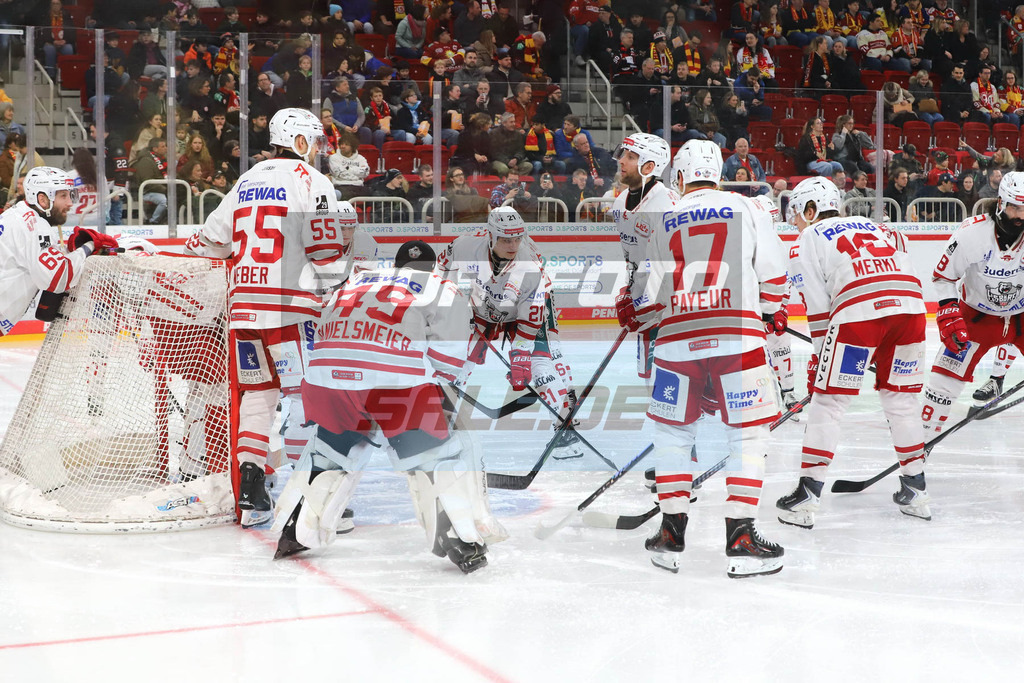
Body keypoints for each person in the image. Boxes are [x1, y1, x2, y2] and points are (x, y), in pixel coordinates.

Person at [270, 240, 506, 570]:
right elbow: (448, 364)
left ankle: (296, 528)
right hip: (390, 379)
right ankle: (458, 537)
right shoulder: (441, 286)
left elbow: (324, 332)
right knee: (441, 451)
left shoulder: (357, 279)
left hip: (325, 375)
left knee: (334, 447)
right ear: (432, 268)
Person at [617, 139, 787, 577]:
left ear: (679, 176)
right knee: (747, 437)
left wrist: (633, 310)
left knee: (674, 436)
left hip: (676, 344)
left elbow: (650, 299)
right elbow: (774, 274)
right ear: (718, 172)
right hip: (738, 340)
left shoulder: (663, 218)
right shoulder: (749, 207)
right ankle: (741, 536)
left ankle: (670, 535)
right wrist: (770, 312)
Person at [183, 109, 344, 528]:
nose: (320, 148)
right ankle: (315, 500)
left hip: (244, 310)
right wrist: (338, 294)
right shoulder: (313, 181)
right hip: (290, 308)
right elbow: (326, 251)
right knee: (311, 398)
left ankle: (253, 489)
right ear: (300, 140)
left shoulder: (245, 181)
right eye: (315, 140)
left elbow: (208, 242)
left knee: (259, 396)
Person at [777, 153, 930, 529]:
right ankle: (916, 490)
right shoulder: (875, 224)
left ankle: (807, 496)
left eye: (797, 212)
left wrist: (820, 356)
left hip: (858, 313)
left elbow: (817, 308)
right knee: (901, 400)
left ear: (811, 210)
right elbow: (900, 266)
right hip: (910, 310)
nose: (794, 221)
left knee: (829, 403)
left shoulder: (806, 239)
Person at [436, 207, 583, 460]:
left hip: (531, 305)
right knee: (458, 359)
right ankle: (442, 423)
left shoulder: (530, 265)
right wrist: (447, 300)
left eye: (517, 238)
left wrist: (521, 354)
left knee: (539, 365)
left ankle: (564, 428)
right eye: (505, 239)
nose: (513, 245)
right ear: (491, 236)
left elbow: (529, 315)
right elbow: (442, 267)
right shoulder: (465, 245)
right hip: (484, 302)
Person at [921, 172, 1024, 441]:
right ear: (1000, 203)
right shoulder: (972, 232)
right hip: (977, 317)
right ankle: (917, 451)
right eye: (1014, 207)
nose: (1020, 215)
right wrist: (948, 313)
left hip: (1021, 317)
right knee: (941, 386)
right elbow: (943, 277)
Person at [0, 167, 116, 336]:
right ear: (42, 199)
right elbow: (58, 277)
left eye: (70, 195)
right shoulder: (36, 226)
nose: (70, 203)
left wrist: (68, 250)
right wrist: (88, 247)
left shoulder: (17, 214)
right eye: (63, 196)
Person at [610, 133, 677, 387]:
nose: (622, 162)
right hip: (645, 298)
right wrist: (631, 291)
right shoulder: (619, 203)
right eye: (623, 155)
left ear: (649, 167)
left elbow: (680, 262)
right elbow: (634, 260)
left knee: (672, 376)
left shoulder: (667, 205)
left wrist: (656, 302)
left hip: (669, 305)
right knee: (649, 380)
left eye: (631, 157)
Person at [328, 131, 371, 199]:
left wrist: (348, 169)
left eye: (346, 144)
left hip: (359, 187)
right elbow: (339, 174)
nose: (342, 146)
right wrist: (357, 175)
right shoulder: (334, 158)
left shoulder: (360, 158)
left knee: (373, 194)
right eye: (341, 144)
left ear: (352, 146)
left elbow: (365, 173)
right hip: (341, 186)